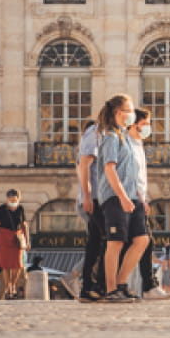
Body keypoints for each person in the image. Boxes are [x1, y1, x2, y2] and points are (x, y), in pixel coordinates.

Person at [93, 95, 148, 304]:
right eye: (129, 109)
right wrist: (123, 197)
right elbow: (109, 168)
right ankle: (111, 289)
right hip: (116, 197)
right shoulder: (110, 136)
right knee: (115, 243)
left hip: (133, 196)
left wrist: (140, 197)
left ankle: (122, 282)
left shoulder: (125, 136)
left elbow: (132, 171)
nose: (132, 113)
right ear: (118, 112)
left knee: (142, 240)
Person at [76, 112, 107, 303]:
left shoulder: (95, 134)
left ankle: (88, 285)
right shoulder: (94, 133)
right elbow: (85, 167)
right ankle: (95, 284)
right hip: (96, 197)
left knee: (95, 242)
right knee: (107, 240)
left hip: (97, 197)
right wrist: (87, 196)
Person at [0, 190, 30, 299]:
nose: (12, 202)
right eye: (10, 200)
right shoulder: (2, 209)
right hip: (4, 237)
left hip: (17, 238)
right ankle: (9, 285)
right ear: (7, 199)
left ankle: (13, 284)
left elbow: (24, 225)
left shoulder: (20, 209)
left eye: (14, 200)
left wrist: (28, 241)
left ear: (19, 199)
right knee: (6, 265)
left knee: (17, 265)